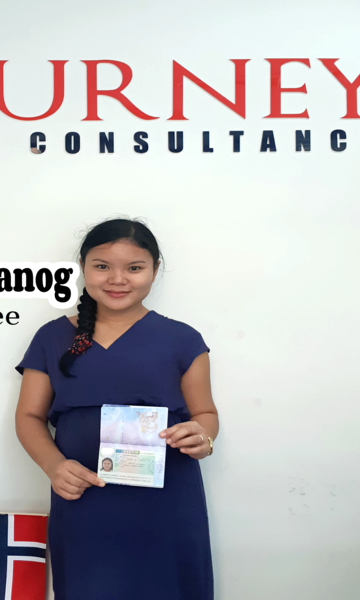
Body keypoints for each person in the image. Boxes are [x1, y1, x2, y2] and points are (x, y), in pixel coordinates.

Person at [15, 217, 218, 600]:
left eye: (134, 268)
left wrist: (202, 438)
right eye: (102, 266)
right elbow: (28, 417)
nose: (117, 279)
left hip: (167, 502)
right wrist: (54, 466)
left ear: (155, 270)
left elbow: (205, 414)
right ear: (83, 266)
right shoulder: (52, 337)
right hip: (83, 497)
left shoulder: (183, 339)